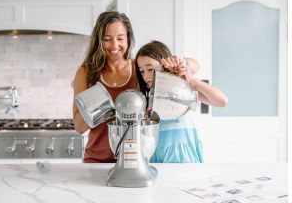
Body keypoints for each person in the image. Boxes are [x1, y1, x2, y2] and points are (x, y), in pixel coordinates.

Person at [135, 40, 228, 163]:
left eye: (150, 69)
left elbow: (222, 101)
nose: (146, 76)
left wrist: (192, 81)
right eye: (142, 71)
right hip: (157, 156)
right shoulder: (145, 97)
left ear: (165, 65)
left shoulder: (182, 86)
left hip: (184, 155)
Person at [72, 11, 137, 163]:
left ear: (128, 38)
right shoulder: (86, 73)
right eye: (107, 39)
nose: (114, 45)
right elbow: (79, 127)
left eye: (120, 38)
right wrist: (98, 98)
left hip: (132, 160)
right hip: (96, 159)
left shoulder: (139, 69)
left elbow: (193, 66)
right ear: (99, 41)